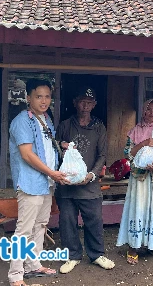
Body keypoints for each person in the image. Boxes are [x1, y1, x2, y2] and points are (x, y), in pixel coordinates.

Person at [7, 79, 69, 286]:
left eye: (47, 96)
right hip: (30, 182)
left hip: (46, 182)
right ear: (28, 98)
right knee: (24, 229)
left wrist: (61, 145)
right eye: (38, 96)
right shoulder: (21, 121)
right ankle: (16, 275)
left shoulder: (45, 119)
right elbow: (26, 154)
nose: (44, 101)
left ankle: (33, 265)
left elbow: (45, 147)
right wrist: (52, 172)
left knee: (40, 225)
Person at [55, 87, 115, 274]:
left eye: (89, 102)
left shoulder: (99, 127)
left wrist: (91, 175)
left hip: (90, 185)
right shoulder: (65, 125)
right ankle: (72, 255)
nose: (85, 105)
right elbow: (53, 148)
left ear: (94, 105)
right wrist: (60, 146)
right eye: (82, 101)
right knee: (67, 221)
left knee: (94, 220)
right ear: (75, 103)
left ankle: (96, 254)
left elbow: (102, 154)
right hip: (67, 185)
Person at [116, 99, 153, 264]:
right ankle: (133, 246)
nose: (151, 113)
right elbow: (128, 154)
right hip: (139, 178)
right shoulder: (135, 131)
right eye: (148, 109)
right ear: (143, 111)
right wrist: (144, 143)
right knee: (138, 208)